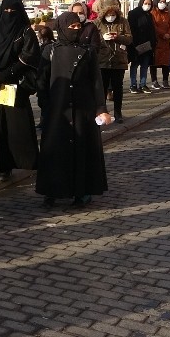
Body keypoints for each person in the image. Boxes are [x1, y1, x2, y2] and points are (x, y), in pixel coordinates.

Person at [36, 12, 112, 209]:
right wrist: (46, 104)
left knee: (81, 150)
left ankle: (82, 191)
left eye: (79, 27)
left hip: (82, 109)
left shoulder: (88, 51)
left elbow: (96, 81)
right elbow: (41, 80)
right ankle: (52, 190)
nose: (76, 30)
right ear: (62, 27)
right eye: (72, 27)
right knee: (55, 151)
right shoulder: (50, 50)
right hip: (57, 110)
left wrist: (101, 108)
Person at [0, 0, 40, 182]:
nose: (9, 14)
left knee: (14, 129)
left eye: (13, 11)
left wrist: (7, 73)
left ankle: (17, 163)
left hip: (16, 86)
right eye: (6, 10)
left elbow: (29, 57)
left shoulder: (26, 32)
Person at [94, 0, 132, 120]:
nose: (111, 16)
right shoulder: (97, 23)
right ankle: (103, 112)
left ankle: (118, 112)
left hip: (118, 59)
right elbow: (92, 40)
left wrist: (118, 37)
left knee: (118, 87)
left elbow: (129, 39)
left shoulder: (123, 22)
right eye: (108, 14)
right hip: (102, 60)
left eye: (113, 14)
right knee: (103, 88)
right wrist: (102, 38)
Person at [127, 0, 155, 93]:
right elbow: (132, 29)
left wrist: (152, 42)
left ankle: (143, 84)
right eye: (145, 3)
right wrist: (134, 44)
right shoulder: (133, 14)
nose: (147, 5)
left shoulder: (149, 15)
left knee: (145, 65)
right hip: (136, 44)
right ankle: (133, 85)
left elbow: (151, 30)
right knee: (135, 65)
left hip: (147, 45)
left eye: (149, 4)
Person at [149, 0, 170, 89]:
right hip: (157, 40)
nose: (162, 4)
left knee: (166, 61)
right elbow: (154, 26)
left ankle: (165, 80)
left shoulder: (167, 13)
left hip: (166, 41)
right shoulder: (152, 13)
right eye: (160, 2)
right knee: (154, 61)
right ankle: (154, 80)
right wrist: (163, 34)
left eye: (164, 2)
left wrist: (169, 33)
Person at [33, 23, 55, 128]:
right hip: (50, 77)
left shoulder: (46, 48)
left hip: (46, 77)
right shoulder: (54, 45)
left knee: (44, 101)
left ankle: (45, 122)